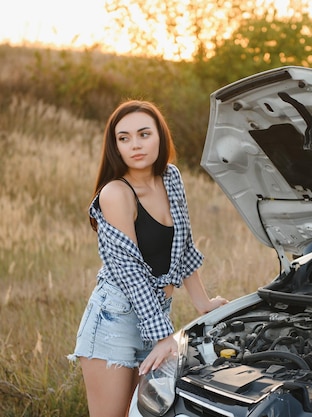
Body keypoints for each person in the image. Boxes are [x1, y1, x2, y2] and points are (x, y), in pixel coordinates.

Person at [68, 100, 228, 417]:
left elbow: (182, 246)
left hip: (154, 315)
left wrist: (203, 303)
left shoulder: (170, 178)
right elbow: (130, 274)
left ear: (160, 137)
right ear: (114, 146)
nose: (135, 145)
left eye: (144, 134)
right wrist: (163, 336)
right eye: (124, 138)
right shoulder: (115, 193)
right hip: (114, 318)